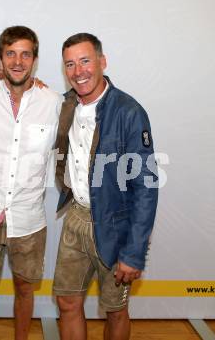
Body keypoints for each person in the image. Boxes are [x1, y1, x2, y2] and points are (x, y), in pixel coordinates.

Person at [53, 32, 158, 340]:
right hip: (75, 217)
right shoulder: (66, 106)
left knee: (115, 309)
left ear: (102, 62)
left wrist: (134, 251)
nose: (78, 71)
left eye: (85, 61)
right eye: (70, 64)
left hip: (115, 224)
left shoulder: (128, 111)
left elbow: (147, 187)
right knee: (67, 301)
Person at [0, 26, 62, 340]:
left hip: (29, 219)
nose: (18, 61)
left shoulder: (53, 101)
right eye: (10, 54)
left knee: (24, 290)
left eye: (25, 54)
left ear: (34, 59)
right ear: (0, 58)